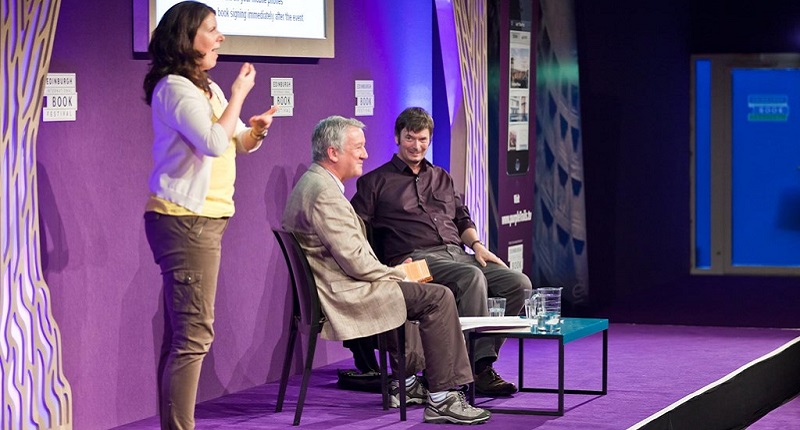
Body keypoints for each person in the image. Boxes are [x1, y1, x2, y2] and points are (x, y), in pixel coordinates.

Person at [282, 116, 491, 425]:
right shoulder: (324, 194)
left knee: (421, 284)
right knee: (438, 297)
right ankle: (442, 398)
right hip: (346, 293)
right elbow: (355, 261)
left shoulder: (315, 184)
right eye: (359, 148)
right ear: (333, 152)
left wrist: (393, 270)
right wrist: (396, 273)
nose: (365, 154)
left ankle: (407, 383)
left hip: (344, 283)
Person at [141, 2, 278, 428]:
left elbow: (235, 139)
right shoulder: (174, 88)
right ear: (188, 38)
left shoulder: (205, 86)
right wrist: (238, 94)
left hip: (203, 220)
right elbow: (213, 142)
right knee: (195, 336)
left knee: (185, 335)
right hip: (184, 220)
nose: (221, 38)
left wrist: (255, 129)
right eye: (213, 30)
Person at [351, 107, 532, 396]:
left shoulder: (441, 177)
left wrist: (477, 246)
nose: (417, 146)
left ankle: (479, 362)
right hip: (412, 260)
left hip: (456, 253)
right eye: (410, 138)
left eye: (423, 139)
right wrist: (379, 268)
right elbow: (355, 229)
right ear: (397, 137)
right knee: (471, 278)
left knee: (519, 284)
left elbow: (462, 218)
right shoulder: (375, 182)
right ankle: (474, 372)